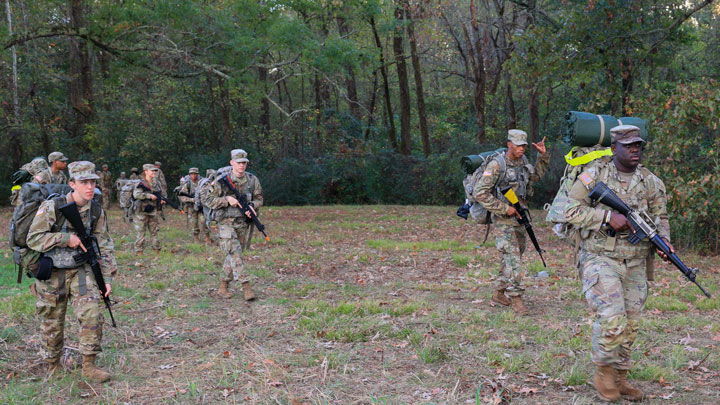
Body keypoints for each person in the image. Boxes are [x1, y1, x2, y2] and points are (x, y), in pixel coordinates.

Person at [564, 125, 670, 402]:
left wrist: (665, 242)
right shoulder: (594, 175)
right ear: (614, 149)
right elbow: (568, 211)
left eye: (638, 145)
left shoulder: (651, 181)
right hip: (600, 257)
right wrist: (606, 218)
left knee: (631, 324)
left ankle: (621, 376)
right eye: (629, 145)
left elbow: (662, 218)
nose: (635, 150)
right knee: (612, 318)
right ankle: (604, 371)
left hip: (635, 262)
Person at [26, 161, 117, 382]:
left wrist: (106, 277)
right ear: (72, 184)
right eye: (83, 182)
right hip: (53, 273)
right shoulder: (53, 207)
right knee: (52, 322)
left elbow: (104, 245)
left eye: (92, 182)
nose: (89, 187)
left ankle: (89, 365)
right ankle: (52, 366)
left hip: (82, 271)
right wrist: (66, 238)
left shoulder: (96, 210)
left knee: (92, 314)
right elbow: (33, 238)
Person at [473, 129, 549, 315]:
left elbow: (535, 177)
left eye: (523, 145)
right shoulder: (497, 165)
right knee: (513, 258)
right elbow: (480, 192)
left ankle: (499, 293)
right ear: (509, 144)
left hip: (520, 215)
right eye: (517, 145)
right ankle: (516, 298)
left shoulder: (522, 162)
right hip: (503, 219)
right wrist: (503, 208)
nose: (521, 148)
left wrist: (543, 157)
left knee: (511, 256)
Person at [206, 149, 263, 300]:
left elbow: (259, 198)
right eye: (239, 163)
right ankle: (246, 287)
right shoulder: (221, 181)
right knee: (235, 253)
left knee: (233, 255)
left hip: (242, 223)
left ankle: (223, 287)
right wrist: (226, 200)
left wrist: (252, 206)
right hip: (225, 222)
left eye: (244, 163)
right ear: (232, 163)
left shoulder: (252, 180)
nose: (242, 166)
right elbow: (208, 200)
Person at [132, 164, 166, 254]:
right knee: (141, 233)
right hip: (141, 212)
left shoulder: (157, 183)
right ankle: (139, 252)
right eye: (152, 171)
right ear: (146, 171)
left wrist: (161, 200)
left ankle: (156, 251)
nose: (154, 172)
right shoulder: (140, 183)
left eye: (155, 171)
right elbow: (136, 194)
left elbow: (160, 194)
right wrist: (149, 196)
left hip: (153, 211)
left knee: (154, 232)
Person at [178, 168, 210, 243]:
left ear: (197, 174)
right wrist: (192, 200)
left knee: (204, 221)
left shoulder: (202, 183)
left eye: (195, 174)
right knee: (194, 223)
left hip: (201, 207)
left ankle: (207, 236)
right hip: (192, 207)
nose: (193, 175)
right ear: (189, 175)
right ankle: (196, 237)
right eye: (192, 174)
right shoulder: (188, 184)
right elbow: (182, 197)